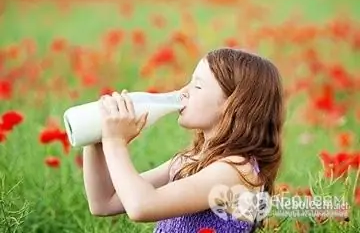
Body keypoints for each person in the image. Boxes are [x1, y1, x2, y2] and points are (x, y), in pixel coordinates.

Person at [83, 47, 285, 233]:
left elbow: (141, 206)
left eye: (197, 86)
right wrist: (97, 135)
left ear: (234, 105)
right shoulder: (190, 160)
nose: (182, 92)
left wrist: (115, 143)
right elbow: (103, 202)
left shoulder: (235, 171)